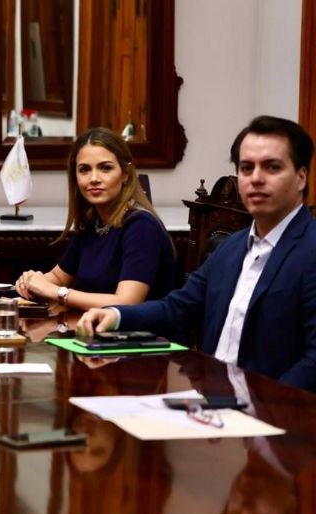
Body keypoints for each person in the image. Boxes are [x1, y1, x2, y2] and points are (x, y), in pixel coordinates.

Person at [78, 116, 316, 392]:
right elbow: (177, 308)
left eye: (272, 167)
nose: (256, 179)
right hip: (212, 406)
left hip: (276, 419)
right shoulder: (231, 247)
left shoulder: (309, 249)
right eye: (246, 168)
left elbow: (313, 361)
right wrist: (116, 316)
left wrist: (263, 409)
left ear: (301, 177)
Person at [15, 127, 175, 311]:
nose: (94, 179)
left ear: (125, 174)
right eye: (84, 170)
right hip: (95, 333)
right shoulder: (93, 224)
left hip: (145, 336)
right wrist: (31, 281)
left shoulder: (142, 227)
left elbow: (127, 303)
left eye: (105, 168)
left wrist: (56, 292)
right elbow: (58, 278)